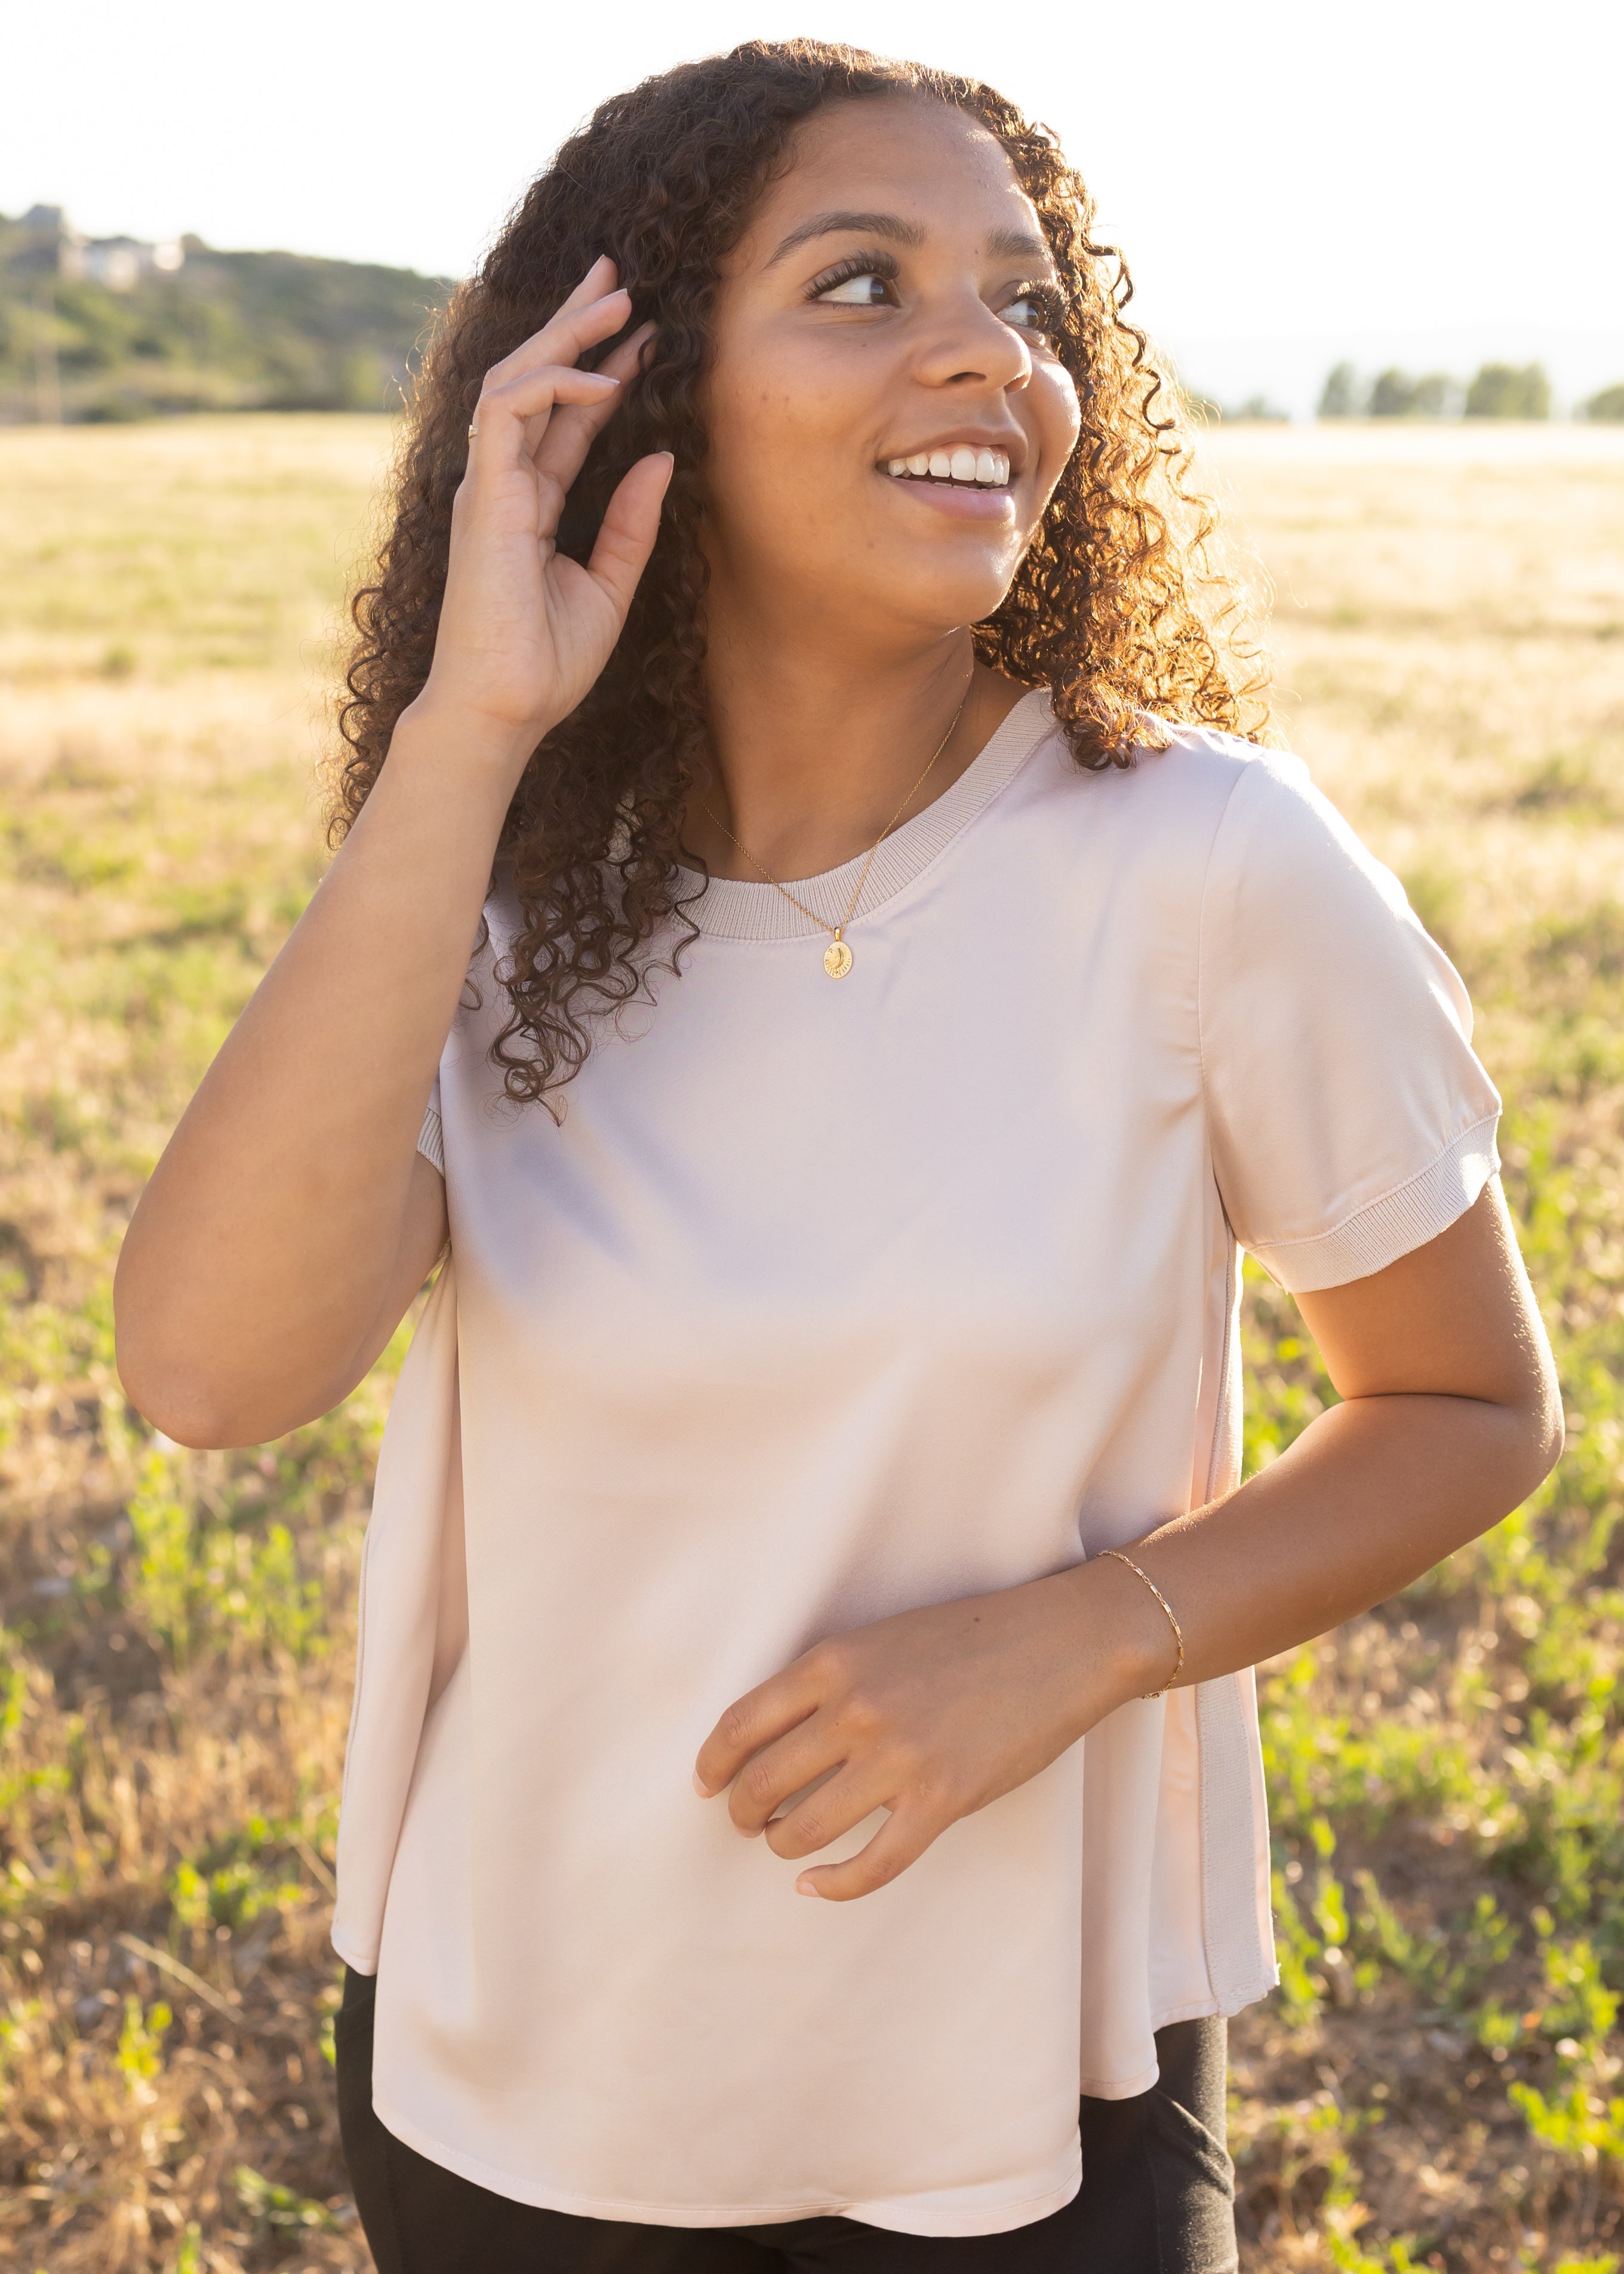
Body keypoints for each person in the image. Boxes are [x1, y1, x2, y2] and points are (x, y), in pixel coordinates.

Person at [113, 38, 1561, 2274]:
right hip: (514, 2089)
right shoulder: (492, 887)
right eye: (865, 283)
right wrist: (469, 733)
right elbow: (210, 1373)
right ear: (636, 397)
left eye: (1030, 300)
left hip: (1019, 2109)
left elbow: (1469, 1406)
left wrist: (1077, 1641)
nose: (992, 351)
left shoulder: (1210, 867)